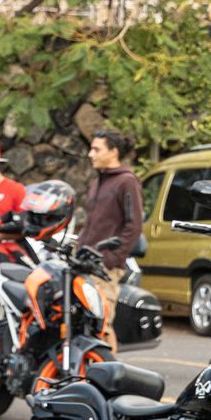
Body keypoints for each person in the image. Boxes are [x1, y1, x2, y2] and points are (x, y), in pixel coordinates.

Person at [78, 127, 144, 348]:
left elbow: (134, 225)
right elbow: (92, 224)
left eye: (96, 149)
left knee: (102, 326)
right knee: (82, 325)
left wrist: (111, 259)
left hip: (104, 269)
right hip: (84, 265)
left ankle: (108, 379)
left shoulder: (127, 181)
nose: (91, 154)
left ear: (113, 151)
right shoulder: (98, 182)